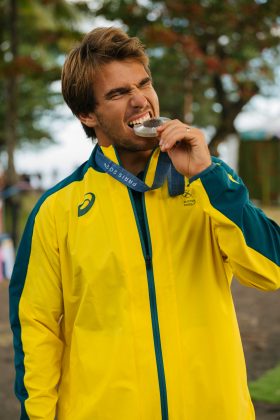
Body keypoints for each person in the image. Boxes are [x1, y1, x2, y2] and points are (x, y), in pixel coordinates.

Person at [9, 27, 279, 420]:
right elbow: (36, 329)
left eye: (143, 83)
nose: (141, 101)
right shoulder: (57, 210)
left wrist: (209, 177)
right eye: (118, 94)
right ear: (87, 113)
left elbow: (271, 271)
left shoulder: (209, 180)